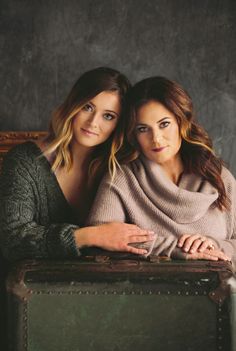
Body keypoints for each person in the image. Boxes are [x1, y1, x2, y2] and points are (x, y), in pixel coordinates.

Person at [0, 67, 155, 261]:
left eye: (108, 116)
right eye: (87, 107)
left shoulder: (122, 166)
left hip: (99, 284)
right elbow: (13, 241)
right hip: (31, 284)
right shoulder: (25, 161)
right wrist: (93, 236)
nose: (93, 122)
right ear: (73, 105)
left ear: (119, 124)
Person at [87, 76, 235, 265]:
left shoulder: (218, 176)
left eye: (164, 124)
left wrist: (215, 245)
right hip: (148, 291)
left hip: (216, 292)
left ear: (182, 122)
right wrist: (174, 249)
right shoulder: (121, 178)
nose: (156, 138)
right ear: (133, 135)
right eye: (143, 129)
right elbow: (100, 238)